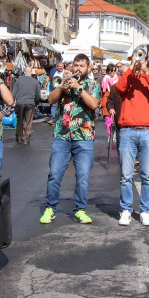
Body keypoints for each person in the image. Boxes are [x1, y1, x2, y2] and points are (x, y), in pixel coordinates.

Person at [39, 54, 100, 225]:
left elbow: (94, 104)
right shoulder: (63, 81)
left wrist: (79, 89)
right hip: (62, 135)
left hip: (84, 136)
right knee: (55, 174)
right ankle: (50, 208)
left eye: (82, 66)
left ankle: (80, 210)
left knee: (82, 176)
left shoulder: (93, 85)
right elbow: (50, 100)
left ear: (88, 68)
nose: (78, 68)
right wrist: (62, 87)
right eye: (76, 65)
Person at [115, 55, 149, 226]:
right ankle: (126, 209)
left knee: (147, 176)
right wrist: (130, 69)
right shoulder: (127, 76)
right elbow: (118, 89)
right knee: (125, 176)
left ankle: (145, 211)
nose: (138, 63)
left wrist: (146, 72)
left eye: (141, 60)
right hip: (127, 130)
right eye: (137, 60)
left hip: (147, 131)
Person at [12, 67, 41, 146]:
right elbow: (38, 95)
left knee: (20, 120)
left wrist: (12, 102)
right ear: (31, 73)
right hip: (30, 102)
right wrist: (36, 102)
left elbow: (13, 93)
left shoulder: (18, 80)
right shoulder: (35, 81)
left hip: (20, 102)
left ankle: (19, 137)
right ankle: (26, 138)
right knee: (28, 121)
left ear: (24, 72)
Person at [101, 63, 119, 140]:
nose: (113, 73)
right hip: (106, 100)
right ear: (108, 71)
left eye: (114, 71)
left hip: (116, 100)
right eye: (111, 71)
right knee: (108, 119)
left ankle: (115, 134)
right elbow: (102, 92)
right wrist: (101, 102)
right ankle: (109, 135)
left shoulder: (117, 79)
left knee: (116, 119)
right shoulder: (105, 79)